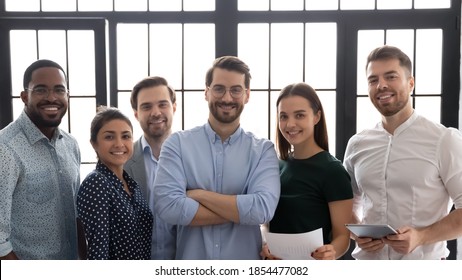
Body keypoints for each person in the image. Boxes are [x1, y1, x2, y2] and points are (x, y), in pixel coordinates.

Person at [153, 56, 281, 259]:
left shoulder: (263, 150)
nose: (227, 98)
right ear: (207, 92)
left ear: (247, 95)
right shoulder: (177, 144)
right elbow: (168, 207)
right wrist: (239, 213)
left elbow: (261, 210)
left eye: (236, 90)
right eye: (219, 88)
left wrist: (198, 195)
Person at [343, 45, 462, 260]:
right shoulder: (357, 145)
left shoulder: (444, 140)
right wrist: (357, 233)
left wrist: (421, 236)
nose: (381, 85)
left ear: (411, 83)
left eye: (391, 76)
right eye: (373, 80)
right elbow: (347, 204)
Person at [262, 83, 353, 260]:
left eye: (300, 115)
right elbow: (266, 223)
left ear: (316, 116)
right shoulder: (276, 166)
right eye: (283, 116)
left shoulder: (333, 171)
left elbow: (342, 236)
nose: (290, 124)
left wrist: (331, 252)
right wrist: (265, 243)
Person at [0, 59, 80, 259]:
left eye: (59, 90)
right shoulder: (5, 148)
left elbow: (77, 215)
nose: (52, 97)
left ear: (67, 96)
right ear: (25, 96)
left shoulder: (71, 144)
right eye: (41, 90)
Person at [77, 107, 153, 260]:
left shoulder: (132, 185)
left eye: (126, 136)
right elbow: (98, 253)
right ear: (94, 143)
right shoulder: (96, 183)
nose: (119, 144)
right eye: (109, 137)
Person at [124, 76, 177, 259]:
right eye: (146, 107)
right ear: (136, 113)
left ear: (174, 107)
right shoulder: (121, 163)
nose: (156, 113)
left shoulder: (193, 158)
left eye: (162, 104)